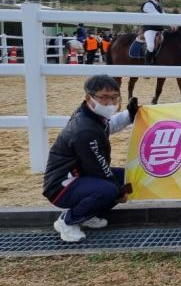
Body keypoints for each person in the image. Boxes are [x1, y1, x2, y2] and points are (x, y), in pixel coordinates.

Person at [43, 75, 140, 242]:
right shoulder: (84, 130)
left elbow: (109, 125)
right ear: (89, 98)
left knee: (128, 178)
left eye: (115, 97)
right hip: (61, 185)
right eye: (104, 97)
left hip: (81, 175)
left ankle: (87, 215)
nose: (110, 103)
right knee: (111, 189)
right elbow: (98, 169)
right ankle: (67, 222)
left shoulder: (91, 115)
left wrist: (129, 115)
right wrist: (120, 191)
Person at [141, 0, 165, 65]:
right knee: (151, 46)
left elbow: (166, 16)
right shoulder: (148, 5)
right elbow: (158, 16)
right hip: (150, 30)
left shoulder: (159, 6)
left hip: (159, 30)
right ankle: (147, 63)